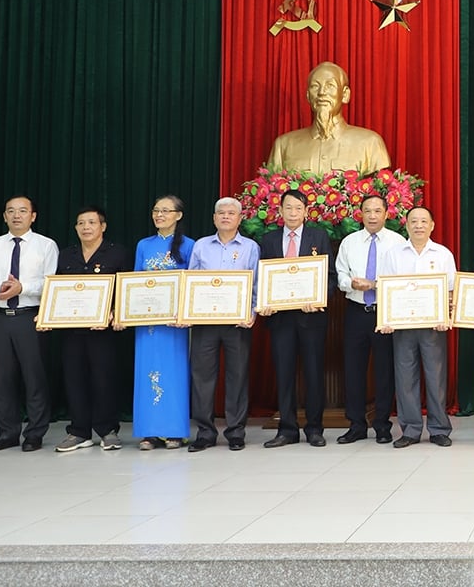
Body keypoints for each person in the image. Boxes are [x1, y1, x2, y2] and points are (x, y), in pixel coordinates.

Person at [0, 196, 58, 452]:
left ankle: (34, 433)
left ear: (33, 216)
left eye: (23, 211)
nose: (16, 215)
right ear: (4, 216)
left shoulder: (46, 245)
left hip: (29, 316)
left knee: (34, 377)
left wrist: (22, 288)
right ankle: (7, 433)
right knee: (3, 379)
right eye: (11, 211)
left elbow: (51, 282)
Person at [257, 189, 336, 448]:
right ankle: (287, 429)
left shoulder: (319, 237)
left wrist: (320, 297)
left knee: (314, 374)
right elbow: (262, 278)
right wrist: (263, 304)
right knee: (284, 374)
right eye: (288, 208)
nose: (292, 213)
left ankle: (315, 429)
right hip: (280, 320)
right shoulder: (267, 240)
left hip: (310, 318)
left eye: (298, 208)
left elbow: (331, 276)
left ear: (306, 211)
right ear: (280, 211)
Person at [52, 206, 132, 452]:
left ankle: (108, 430)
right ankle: (79, 431)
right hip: (71, 330)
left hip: (104, 330)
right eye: (81, 223)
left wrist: (116, 312)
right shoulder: (66, 256)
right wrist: (48, 315)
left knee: (103, 379)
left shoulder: (117, 253)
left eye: (91, 222)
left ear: (103, 226)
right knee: (74, 380)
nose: (86, 227)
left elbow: (127, 289)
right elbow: (57, 291)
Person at [377, 206, 456, 448]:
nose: (419, 225)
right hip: (402, 327)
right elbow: (385, 287)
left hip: (434, 326)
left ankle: (439, 429)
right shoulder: (393, 253)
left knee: (436, 377)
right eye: (414, 221)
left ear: (432, 225)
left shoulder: (442, 254)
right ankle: (410, 430)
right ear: (406, 224)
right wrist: (385, 320)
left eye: (424, 221)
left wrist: (447, 316)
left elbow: (451, 290)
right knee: (405, 378)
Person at [187, 197, 260, 452]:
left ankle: (236, 431)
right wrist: (188, 311)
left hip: (237, 322)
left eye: (232, 213)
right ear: (214, 218)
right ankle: (205, 432)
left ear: (240, 218)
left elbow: (256, 283)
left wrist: (252, 311)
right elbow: (191, 282)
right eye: (221, 213)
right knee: (202, 378)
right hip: (205, 322)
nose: (226, 217)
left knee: (237, 377)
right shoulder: (201, 246)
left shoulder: (250, 247)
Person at [124, 195, 195, 450]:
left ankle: (175, 431)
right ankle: (149, 432)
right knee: (146, 372)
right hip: (147, 322)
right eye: (156, 210)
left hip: (174, 324)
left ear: (179, 215)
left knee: (174, 373)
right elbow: (133, 281)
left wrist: (185, 314)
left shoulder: (189, 246)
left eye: (166, 210)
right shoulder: (144, 245)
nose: (159, 215)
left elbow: (193, 284)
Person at [335, 193, 405, 444]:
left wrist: (376, 284)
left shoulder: (397, 242)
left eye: (377, 211)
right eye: (368, 211)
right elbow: (340, 273)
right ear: (360, 214)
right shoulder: (349, 242)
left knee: (384, 371)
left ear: (387, 214)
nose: (372, 215)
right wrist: (350, 283)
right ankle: (356, 425)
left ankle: (383, 425)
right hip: (355, 311)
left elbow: (402, 279)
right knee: (353, 369)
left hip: (385, 311)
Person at [266, 61, 391, 174]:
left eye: (330, 85)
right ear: (308, 96)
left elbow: (380, 191)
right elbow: (271, 192)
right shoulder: (283, 145)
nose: (321, 92)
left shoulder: (370, 143)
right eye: (315, 86)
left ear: (345, 95)